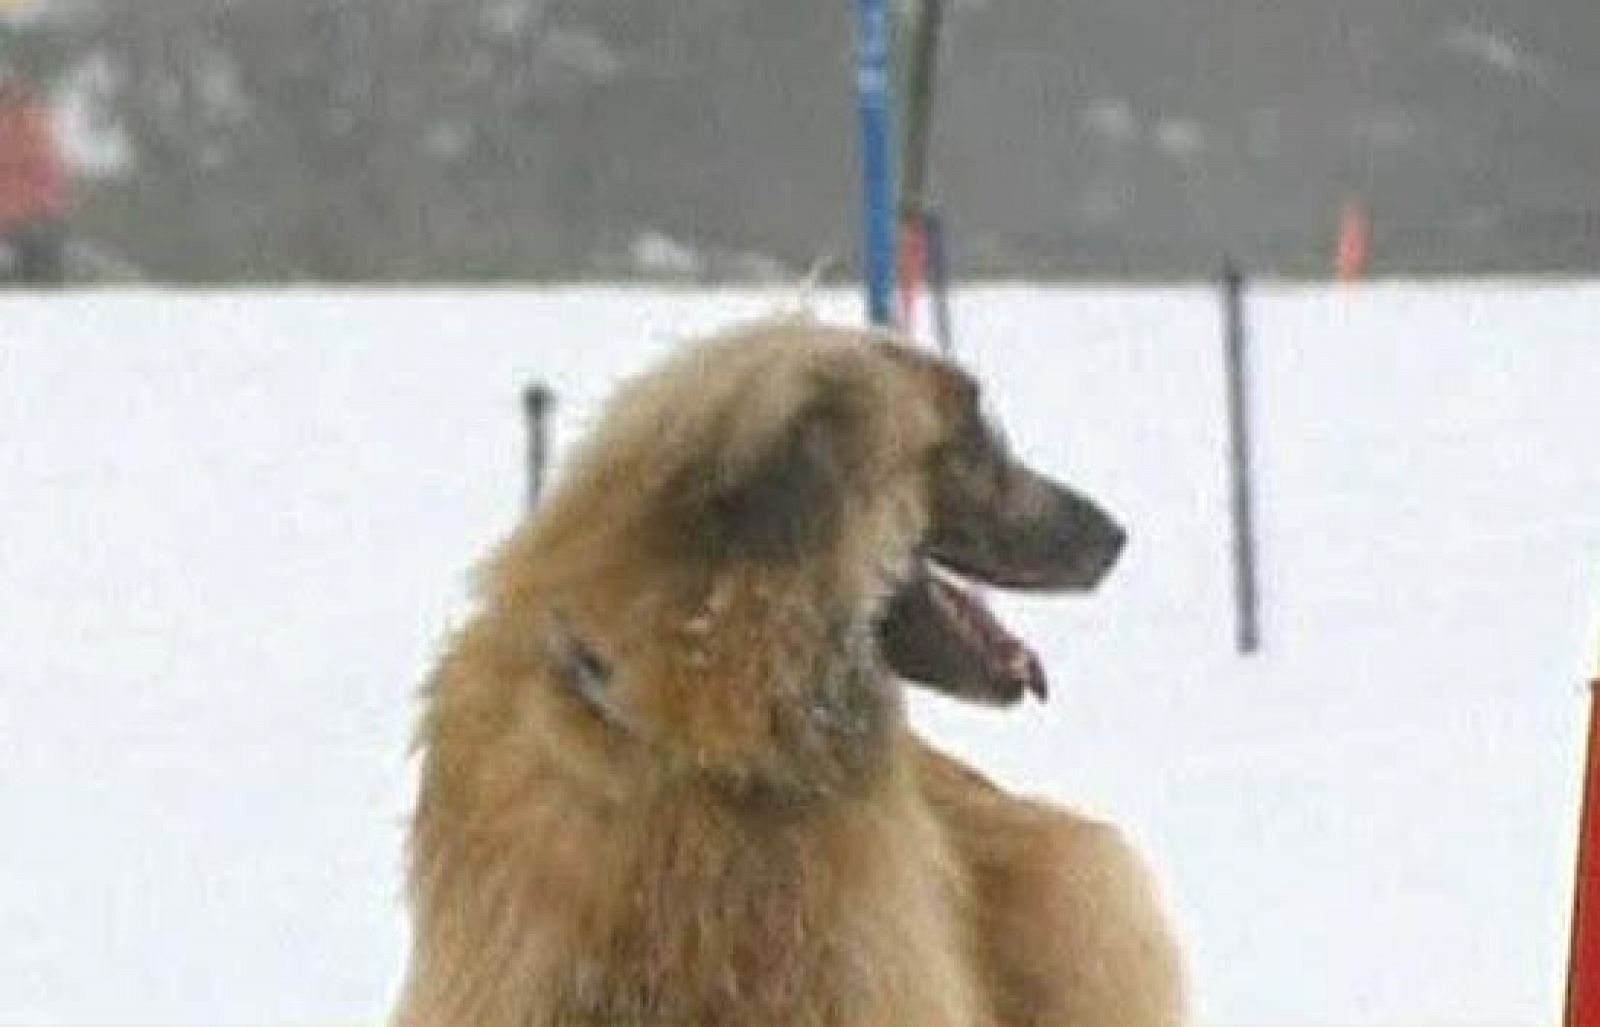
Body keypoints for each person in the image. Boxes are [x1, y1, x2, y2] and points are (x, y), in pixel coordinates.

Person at [0, 72, 68, 285]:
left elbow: (45, 171)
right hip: (30, 217)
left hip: (26, 219)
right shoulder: (37, 124)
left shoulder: (30, 126)